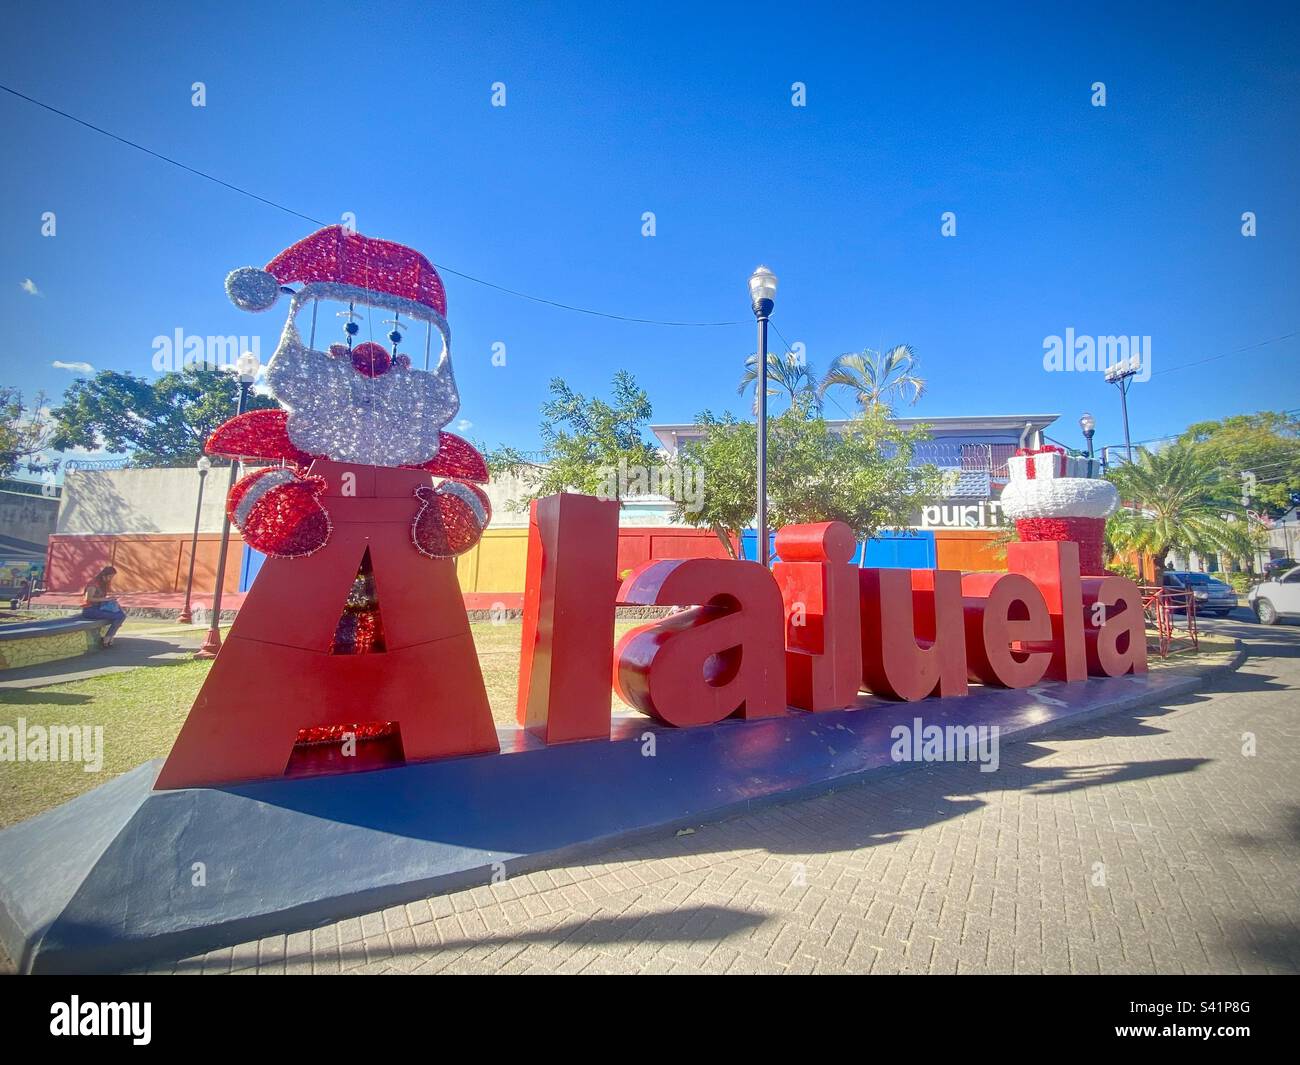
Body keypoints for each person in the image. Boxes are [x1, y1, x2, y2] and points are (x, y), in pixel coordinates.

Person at [82, 566, 127, 647]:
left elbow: (102, 598)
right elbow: (88, 598)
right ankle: (108, 637)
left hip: (99, 608)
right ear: (104, 575)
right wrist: (105, 599)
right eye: (110, 577)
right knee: (120, 616)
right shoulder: (93, 584)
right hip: (90, 610)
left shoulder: (103, 584)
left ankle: (109, 636)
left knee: (120, 613)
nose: (110, 579)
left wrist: (110, 600)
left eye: (112, 577)